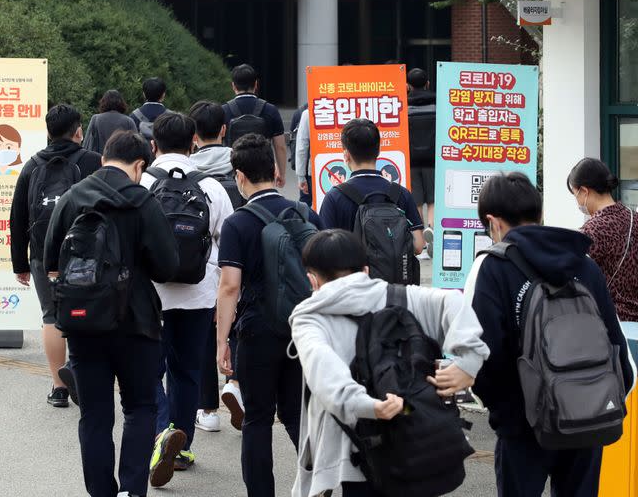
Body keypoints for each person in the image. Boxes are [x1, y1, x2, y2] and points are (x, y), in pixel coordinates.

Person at [450, 172, 635, 496]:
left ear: (493, 223)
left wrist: (506, 416)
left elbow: (477, 354)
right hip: (586, 421)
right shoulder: (584, 262)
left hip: (524, 429)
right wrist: (591, 402)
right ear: (539, 213)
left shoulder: (492, 267)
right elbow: (623, 359)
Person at [289, 229, 486, 497]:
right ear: (366, 270)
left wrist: (369, 406)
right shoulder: (402, 297)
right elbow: (453, 300)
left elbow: (323, 370)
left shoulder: (310, 318)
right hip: (415, 440)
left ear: (312, 280)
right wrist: (468, 363)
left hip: (356, 452)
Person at [42, 130, 178, 497]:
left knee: (95, 416)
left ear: (102, 159)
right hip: (136, 322)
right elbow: (167, 266)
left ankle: (101, 491)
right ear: (139, 165)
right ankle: (132, 490)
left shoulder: (72, 197)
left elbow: (50, 261)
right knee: (140, 407)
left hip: (84, 322)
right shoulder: (142, 201)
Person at [216, 133, 323, 497]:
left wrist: (222, 342)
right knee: (296, 414)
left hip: (258, 330)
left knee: (258, 418)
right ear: (276, 171)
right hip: (303, 328)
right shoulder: (306, 214)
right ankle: (317, 481)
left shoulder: (238, 223)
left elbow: (230, 287)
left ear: (240, 176)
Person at [140, 112, 234, 485]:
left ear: (152, 145)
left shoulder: (143, 182)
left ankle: (162, 430)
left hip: (151, 295)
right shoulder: (211, 187)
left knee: (148, 369)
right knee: (186, 371)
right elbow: (228, 245)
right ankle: (180, 446)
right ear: (194, 140)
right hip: (199, 295)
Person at [10, 104, 102, 407]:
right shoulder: (93, 162)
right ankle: (87, 383)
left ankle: (59, 387)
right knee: (86, 313)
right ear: (78, 131)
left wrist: (20, 264)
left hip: (42, 252)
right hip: (87, 252)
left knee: (51, 316)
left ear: (48, 131)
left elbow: (18, 216)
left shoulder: (32, 165)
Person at [188, 100, 234, 434]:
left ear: (193, 134)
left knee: (205, 335)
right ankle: (238, 385)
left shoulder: (185, 171)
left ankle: (207, 409)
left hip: (202, 266)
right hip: (242, 262)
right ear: (223, 130)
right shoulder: (242, 161)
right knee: (241, 326)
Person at [319, 118, 425, 254]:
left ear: (346, 155)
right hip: (392, 275)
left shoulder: (335, 197)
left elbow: (326, 250)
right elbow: (418, 245)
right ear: (379, 150)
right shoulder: (401, 193)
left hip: (354, 273)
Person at [568, 158, 638, 321]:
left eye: (575, 194)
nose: (577, 201)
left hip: (610, 325)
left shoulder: (591, 231)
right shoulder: (635, 219)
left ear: (584, 191)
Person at [222, 64, 287, 187]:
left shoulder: (224, 110)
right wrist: (281, 174)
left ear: (233, 86)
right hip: (263, 172)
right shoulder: (270, 110)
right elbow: (280, 146)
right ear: (256, 84)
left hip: (234, 171)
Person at [406, 68, 437, 255]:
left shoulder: (404, 107)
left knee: (416, 202)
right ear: (428, 84)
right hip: (433, 160)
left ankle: (422, 246)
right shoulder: (438, 105)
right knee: (432, 201)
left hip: (411, 161)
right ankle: (432, 230)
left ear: (407, 86)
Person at [83, 90, 138, 155]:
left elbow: (87, 143)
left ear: (103, 102)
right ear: (121, 103)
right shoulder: (128, 121)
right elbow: (136, 145)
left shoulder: (95, 119)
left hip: (99, 160)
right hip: (122, 162)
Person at [294, 107, 312, 205]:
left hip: (313, 171)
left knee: (308, 208)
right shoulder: (351, 107)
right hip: (346, 168)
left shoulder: (308, 113)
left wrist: (301, 176)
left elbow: (302, 147)